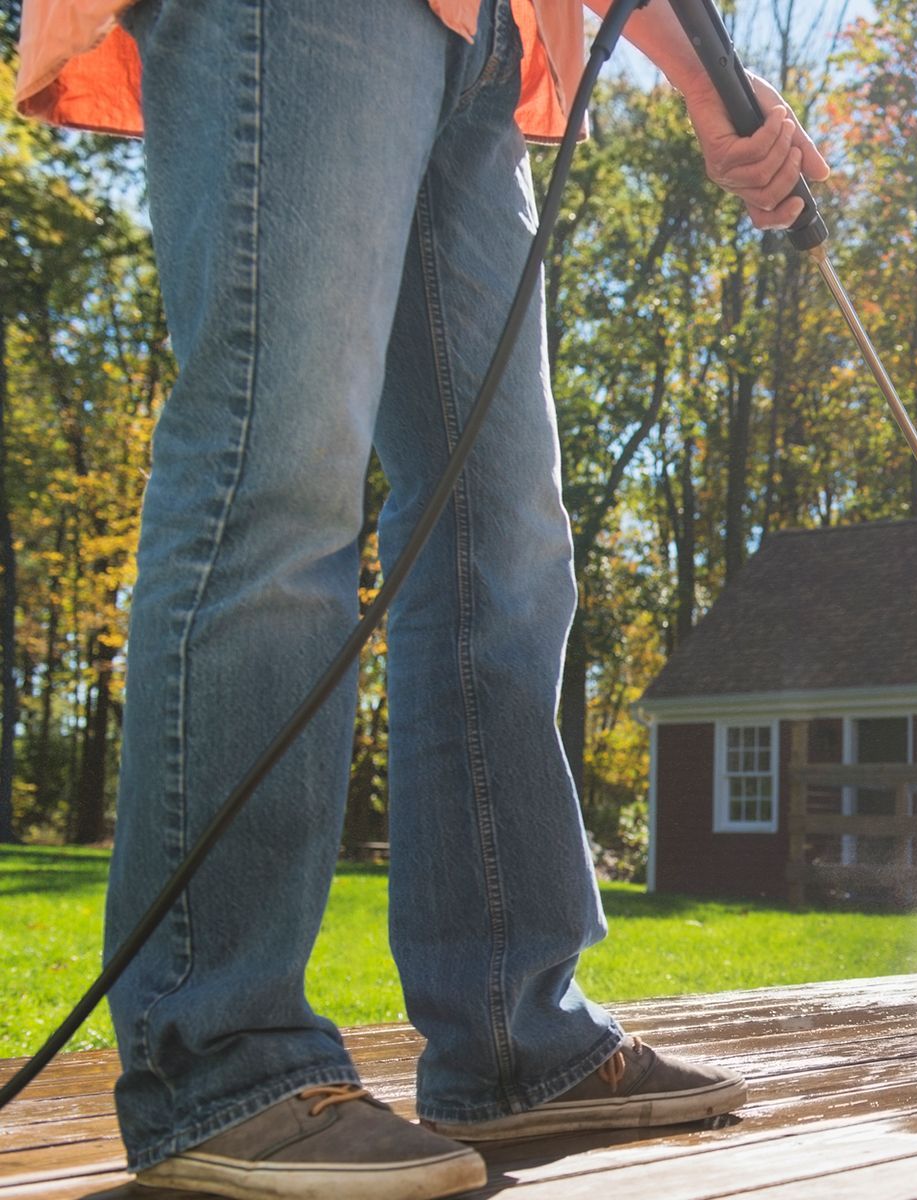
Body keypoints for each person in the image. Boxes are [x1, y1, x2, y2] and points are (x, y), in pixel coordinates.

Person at [14, 2, 829, 1197]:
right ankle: (221, 1059)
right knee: (277, 475)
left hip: (491, 42)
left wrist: (710, 78)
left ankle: (516, 1038)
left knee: (503, 541)